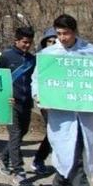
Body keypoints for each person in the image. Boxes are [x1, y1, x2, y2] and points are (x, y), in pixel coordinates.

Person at [32, 14, 93, 186]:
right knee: (71, 153)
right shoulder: (49, 55)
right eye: (59, 33)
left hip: (86, 115)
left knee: (76, 152)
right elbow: (37, 81)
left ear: (75, 32)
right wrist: (40, 96)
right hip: (62, 117)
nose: (62, 38)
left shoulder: (90, 53)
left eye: (66, 33)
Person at [0, 26, 36, 186]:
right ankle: (19, 172)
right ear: (16, 40)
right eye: (24, 42)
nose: (27, 45)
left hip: (26, 103)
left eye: (29, 42)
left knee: (21, 133)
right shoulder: (4, 56)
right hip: (9, 103)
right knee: (16, 134)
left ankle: (2, 157)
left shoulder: (32, 59)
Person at [30, 28, 57, 175]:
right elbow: (35, 79)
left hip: (63, 102)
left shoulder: (66, 58)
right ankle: (39, 159)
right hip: (45, 101)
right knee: (52, 130)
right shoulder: (40, 58)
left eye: (55, 41)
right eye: (49, 41)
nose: (52, 44)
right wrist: (37, 95)